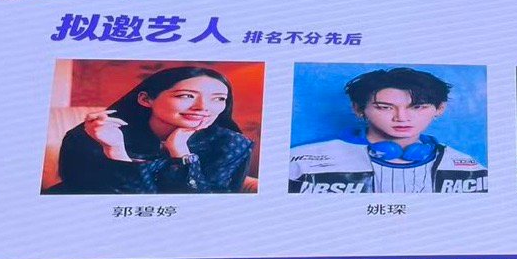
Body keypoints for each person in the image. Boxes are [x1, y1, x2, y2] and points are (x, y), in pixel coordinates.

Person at [52, 65, 255, 194]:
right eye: (186, 96)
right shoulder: (94, 135)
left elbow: (202, 209)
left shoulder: (231, 144)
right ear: (146, 99)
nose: (203, 107)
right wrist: (116, 150)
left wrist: (180, 151)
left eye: (218, 99)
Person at [289, 67, 487, 193]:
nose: (402, 117)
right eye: (385, 107)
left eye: (418, 107)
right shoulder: (302, 163)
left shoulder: (468, 167)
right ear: (358, 109)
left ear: (440, 109)